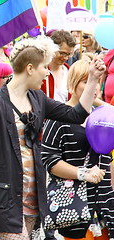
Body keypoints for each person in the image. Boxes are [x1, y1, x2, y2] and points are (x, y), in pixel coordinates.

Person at [0, 36, 106, 239]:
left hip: (35, 201)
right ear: (29, 68)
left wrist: (93, 79)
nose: (47, 73)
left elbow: (76, 114)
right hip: (5, 201)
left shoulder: (37, 98)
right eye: (44, 67)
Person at [42, 58, 114, 239]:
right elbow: (49, 160)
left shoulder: (103, 116)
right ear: (73, 84)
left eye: (98, 81)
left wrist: (98, 103)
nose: (95, 86)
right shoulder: (59, 116)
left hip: (104, 206)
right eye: (87, 81)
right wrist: (83, 173)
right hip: (74, 206)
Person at [41, 30, 76, 102]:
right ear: (52, 49)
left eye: (69, 54)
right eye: (62, 53)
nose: (66, 58)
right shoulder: (39, 71)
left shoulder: (70, 72)